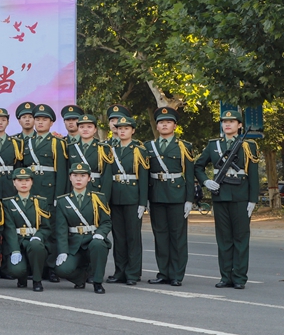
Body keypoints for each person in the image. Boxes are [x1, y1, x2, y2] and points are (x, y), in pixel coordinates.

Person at [194, 109, 260, 290]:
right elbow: (198, 166)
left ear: (239, 125)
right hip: (220, 195)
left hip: (240, 196)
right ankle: (225, 276)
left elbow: (253, 174)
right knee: (224, 239)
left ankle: (239, 277)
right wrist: (206, 181)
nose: (227, 124)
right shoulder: (213, 145)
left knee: (240, 238)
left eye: (231, 121)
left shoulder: (248, 146)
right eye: (224, 121)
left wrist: (252, 199)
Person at [146, 107, 196, 287]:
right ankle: (163, 273)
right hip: (156, 194)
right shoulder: (148, 147)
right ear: (157, 126)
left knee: (177, 237)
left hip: (177, 195)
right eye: (161, 122)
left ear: (175, 126)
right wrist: (145, 198)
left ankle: (176, 274)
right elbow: (145, 174)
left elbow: (189, 174)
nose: (164, 125)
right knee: (160, 236)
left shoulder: (184, 146)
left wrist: (189, 199)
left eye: (168, 122)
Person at [22, 104, 68, 282]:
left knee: (51, 231)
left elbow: (61, 172)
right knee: (32, 230)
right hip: (31, 192)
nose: (40, 122)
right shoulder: (26, 142)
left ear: (51, 123)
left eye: (44, 120)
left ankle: (50, 268)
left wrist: (59, 197)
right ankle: (33, 267)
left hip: (49, 193)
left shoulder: (57, 143)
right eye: (38, 119)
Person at [55, 163, 112, 294]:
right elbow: (61, 230)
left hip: (92, 240)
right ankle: (81, 277)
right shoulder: (63, 201)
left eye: (83, 176)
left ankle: (97, 282)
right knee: (61, 269)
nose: (79, 179)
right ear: (70, 177)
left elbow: (106, 222)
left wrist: (100, 234)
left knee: (98, 245)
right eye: (75, 175)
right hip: (74, 244)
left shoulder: (98, 198)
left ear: (89, 178)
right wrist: (63, 251)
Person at [106, 115, 149, 286]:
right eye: (120, 128)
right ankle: (120, 271)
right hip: (115, 197)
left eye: (126, 128)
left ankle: (133, 273)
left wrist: (142, 202)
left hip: (132, 197)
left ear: (133, 130)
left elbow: (144, 178)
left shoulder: (139, 150)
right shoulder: (111, 149)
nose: (122, 131)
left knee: (133, 237)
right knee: (119, 236)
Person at [2, 168, 51, 291]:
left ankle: (37, 280)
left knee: (36, 246)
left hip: (34, 241)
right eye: (19, 180)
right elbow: (9, 229)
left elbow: (46, 227)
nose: (23, 183)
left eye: (27, 180)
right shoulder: (8, 203)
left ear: (32, 182)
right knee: (16, 270)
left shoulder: (41, 202)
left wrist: (38, 236)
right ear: (14, 182)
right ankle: (22, 277)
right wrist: (15, 250)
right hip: (18, 240)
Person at [67, 114, 114, 202]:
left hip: (95, 190)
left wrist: (104, 199)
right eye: (82, 127)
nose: (85, 129)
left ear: (95, 129)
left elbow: (107, 177)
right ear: (78, 129)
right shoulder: (70, 148)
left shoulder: (103, 148)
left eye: (89, 127)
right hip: (74, 191)